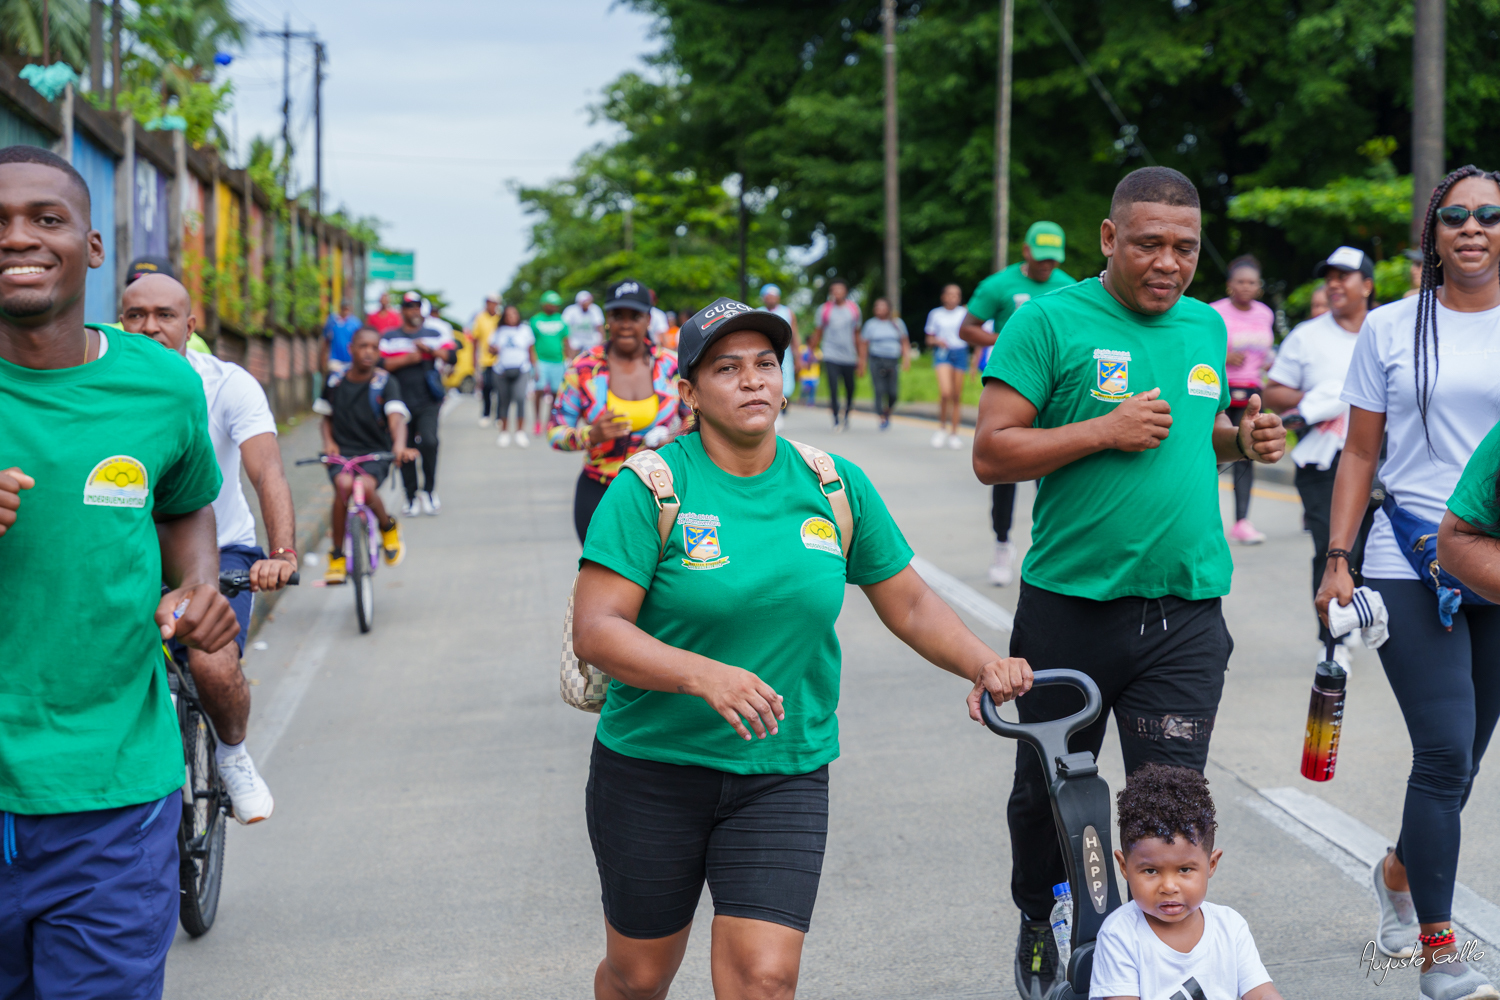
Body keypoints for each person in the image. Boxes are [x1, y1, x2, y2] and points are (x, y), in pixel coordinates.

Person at [572, 295, 1034, 1000]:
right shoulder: (651, 488)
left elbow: (906, 600)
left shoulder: (832, 485)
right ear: (690, 393)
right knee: (638, 980)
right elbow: (597, 629)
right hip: (653, 770)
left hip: (782, 768)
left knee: (765, 979)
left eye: (766, 363)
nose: (754, 379)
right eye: (728, 368)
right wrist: (704, 677)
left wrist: (982, 661)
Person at [971, 165, 1285, 1000]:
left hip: (1184, 614)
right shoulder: (1048, 322)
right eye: (1149, 243)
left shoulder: (1205, 330)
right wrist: (1101, 429)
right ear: (1110, 239)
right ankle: (1040, 916)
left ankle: (1144, 970)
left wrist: (1240, 442)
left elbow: (1192, 433)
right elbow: (993, 451)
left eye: (1185, 247)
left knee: (1167, 808)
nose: (1168, 262)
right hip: (1069, 612)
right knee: (1045, 800)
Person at [0, 144, 238, 999]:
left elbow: (184, 503)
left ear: (92, 249)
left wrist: (199, 586)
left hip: (113, 799)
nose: (19, 237)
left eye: (46, 218)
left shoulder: (162, 386)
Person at [1316, 165, 1500, 999]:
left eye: (1490, 216)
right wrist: (1337, 557)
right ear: (1434, 232)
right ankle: (1438, 947)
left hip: (1495, 563)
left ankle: (1398, 870)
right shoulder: (1391, 328)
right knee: (1442, 751)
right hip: (1407, 560)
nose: (1473, 227)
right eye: (1456, 215)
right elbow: (1360, 453)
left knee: (1460, 768)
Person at [121, 269, 298, 825]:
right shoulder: (100, 383)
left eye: (165, 317)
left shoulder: (227, 384)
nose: (150, 328)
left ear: (190, 326)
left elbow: (267, 471)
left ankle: (233, 753)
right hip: (130, 557)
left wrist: (283, 553)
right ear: (118, 322)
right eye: (136, 316)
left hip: (221, 553)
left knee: (213, 664)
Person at [1264, 246, 1374, 667]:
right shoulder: (1307, 336)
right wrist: (1322, 398)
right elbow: (1274, 392)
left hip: (1382, 460)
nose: (1333, 284)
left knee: (1371, 547)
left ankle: (1363, 616)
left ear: (1366, 285)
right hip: (1324, 462)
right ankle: (1333, 639)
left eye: (1343, 276)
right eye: (1328, 276)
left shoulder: (1386, 329)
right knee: (1333, 547)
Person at [1093, 765, 1283, 1000]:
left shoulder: (1230, 928)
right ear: (1124, 867)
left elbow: (1262, 993)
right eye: (1151, 871)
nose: (1169, 887)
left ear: (1211, 864)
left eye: (1184, 870)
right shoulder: (1119, 935)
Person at [961, 220, 1078, 586]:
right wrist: (1005, 336)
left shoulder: (1071, 287)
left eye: (1053, 260)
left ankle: (1052, 548)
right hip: (1013, 387)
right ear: (1026, 251)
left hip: (1056, 390)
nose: (1047, 266)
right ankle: (1001, 545)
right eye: (1041, 258)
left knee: (1053, 469)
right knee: (1007, 470)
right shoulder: (999, 285)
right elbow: (967, 327)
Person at [549, 278, 691, 544]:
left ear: (648, 320)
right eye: (617, 315)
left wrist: (676, 440)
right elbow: (554, 432)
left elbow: (697, 417)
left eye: (634, 315)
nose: (626, 324)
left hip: (663, 490)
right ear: (607, 319)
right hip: (600, 489)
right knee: (602, 579)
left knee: (664, 581)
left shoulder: (671, 365)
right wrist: (591, 435)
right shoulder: (584, 368)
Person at [314, 327, 414, 583]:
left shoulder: (385, 383)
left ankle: (387, 526)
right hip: (342, 454)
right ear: (351, 349)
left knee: (363, 486)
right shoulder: (335, 381)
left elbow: (396, 419)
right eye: (363, 346)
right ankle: (337, 555)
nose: (369, 352)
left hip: (375, 454)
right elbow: (325, 418)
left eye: (374, 347)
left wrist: (399, 446)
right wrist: (328, 443)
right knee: (343, 486)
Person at [1211, 255, 1277, 546]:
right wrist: (1223, 358)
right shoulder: (1215, 313)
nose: (1246, 287)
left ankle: (1241, 521)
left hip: (1252, 390)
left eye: (1252, 282)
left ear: (1259, 286)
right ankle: (1204, 516)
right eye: (1240, 281)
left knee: (1245, 454)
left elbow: (1268, 350)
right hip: (1221, 391)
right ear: (1229, 285)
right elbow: (1200, 351)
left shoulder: (1265, 314)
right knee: (1210, 454)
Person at [380, 291, 450, 517]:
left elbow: (452, 355)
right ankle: (410, 496)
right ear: (403, 310)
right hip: (400, 401)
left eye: (417, 306)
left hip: (428, 399)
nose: (414, 311)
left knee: (429, 442)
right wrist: (407, 359)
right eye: (409, 307)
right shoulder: (390, 336)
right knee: (405, 449)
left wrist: (430, 351)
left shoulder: (433, 333)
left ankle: (429, 491)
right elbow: (381, 365)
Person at [810, 278, 860, 430]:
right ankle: (836, 418)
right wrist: (811, 353)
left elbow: (858, 334)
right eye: (834, 290)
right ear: (831, 292)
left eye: (840, 289)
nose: (837, 292)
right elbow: (818, 333)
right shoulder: (824, 310)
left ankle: (846, 415)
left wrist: (862, 358)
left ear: (845, 292)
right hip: (830, 354)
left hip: (849, 355)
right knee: (833, 387)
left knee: (850, 388)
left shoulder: (853, 309)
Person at [924, 283, 969, 449]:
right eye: (949, 294)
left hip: (960, 353)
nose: (953, 298)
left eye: (956, 294)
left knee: (957, 395)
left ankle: (954, 433)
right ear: (943, 296)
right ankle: (942, 427)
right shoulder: (935, 314)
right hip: (943, 353)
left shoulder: (964, 313)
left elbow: (971, 334)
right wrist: (937, 340)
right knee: (945, 392)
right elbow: (929, 338)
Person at [858, 297, 910, 430]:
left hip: (892, 360)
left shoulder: (897, 323)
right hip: (876, 360)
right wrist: (861, 363)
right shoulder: (870, 325)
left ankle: (888, 411)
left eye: (882, 306)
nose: (879, 309)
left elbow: (904, 342)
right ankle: (881, 416)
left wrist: (906, 359)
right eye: (877, 307)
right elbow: (864, 345)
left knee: (893, 392)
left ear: (888, 309)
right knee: (879, 389)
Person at [490, 304, 536, 448]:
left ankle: (520, 431)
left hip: (521, 369)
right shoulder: (499, 331)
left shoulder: (525, 330)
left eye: (514, 314)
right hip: (503, 370)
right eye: (508, 315)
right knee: (504, 401)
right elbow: (490, 349)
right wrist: (493, 349)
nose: (512, 317)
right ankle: (504, 432)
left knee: (520, 398)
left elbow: (530, 350)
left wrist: (535, 369)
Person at [758, 282, 802, 432]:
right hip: (764, 355)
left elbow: (794, 335)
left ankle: (780, 411)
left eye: (774, 296)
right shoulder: (758, 312)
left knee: (786, 385)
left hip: (786, 354)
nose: (771, 299)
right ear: (764, 298)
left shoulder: (787, 312)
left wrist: (799, 357)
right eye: (768, 296)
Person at [531, 289, 570, 436]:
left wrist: (569, 359)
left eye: (556, 305)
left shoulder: (561, 320)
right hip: (541, 360)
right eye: (551, 304)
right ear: (544, 304)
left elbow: (566, 341)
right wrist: (533, 362)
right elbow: (531, 343)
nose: (553, 307)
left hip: (558, 361)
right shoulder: (536, 320)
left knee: (555, 392)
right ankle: (537, 420)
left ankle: (550, 421)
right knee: (539, 390)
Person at [470, 293, 502, 427]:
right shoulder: (480, 318)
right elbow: (475, 341)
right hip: (485, 359)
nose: (491, 305)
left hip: (500, 360)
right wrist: (474, 358)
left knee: (500, 389)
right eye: (489, 302)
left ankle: (499, 416)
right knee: (487, 387)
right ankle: (486, 413)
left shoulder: (501, 318)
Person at [321, 299, 362, 377]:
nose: (346, 311)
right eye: (344, 308)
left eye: (347, 309)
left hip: (350, 359)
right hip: (335, 359)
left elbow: (359, 341)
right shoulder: (332, 321)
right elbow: (326, 340)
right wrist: (323, 358)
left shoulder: (355, 323)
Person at [564, 289, 605, 355]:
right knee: (572, 343)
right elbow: (565, 327)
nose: (586, 303)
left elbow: (600, 326)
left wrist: (602, 342)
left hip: (591, 340)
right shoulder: (571, 310)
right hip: (576, 340)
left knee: (597, 337)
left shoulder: (595, 309)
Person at [799, 343, 821, 407]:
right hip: (804, 375)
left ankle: (811, 403)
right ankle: (802, 401)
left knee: (812, 391)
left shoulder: (817, 350)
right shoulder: (803, 349)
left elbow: (819, 360)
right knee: (804, 390)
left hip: (814, 375)